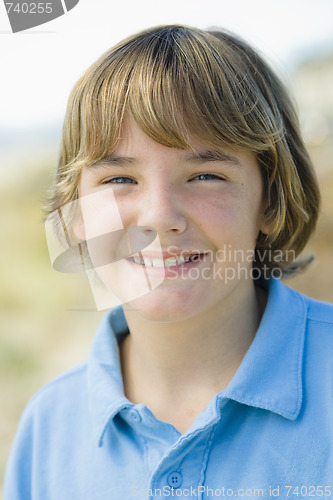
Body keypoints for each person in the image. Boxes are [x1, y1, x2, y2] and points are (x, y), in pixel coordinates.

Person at [4, 24, 333, 500]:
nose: (158, 216)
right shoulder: (48, 429)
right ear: (74, 213)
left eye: (204, 175)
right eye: (119, 179)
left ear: (270, 200)